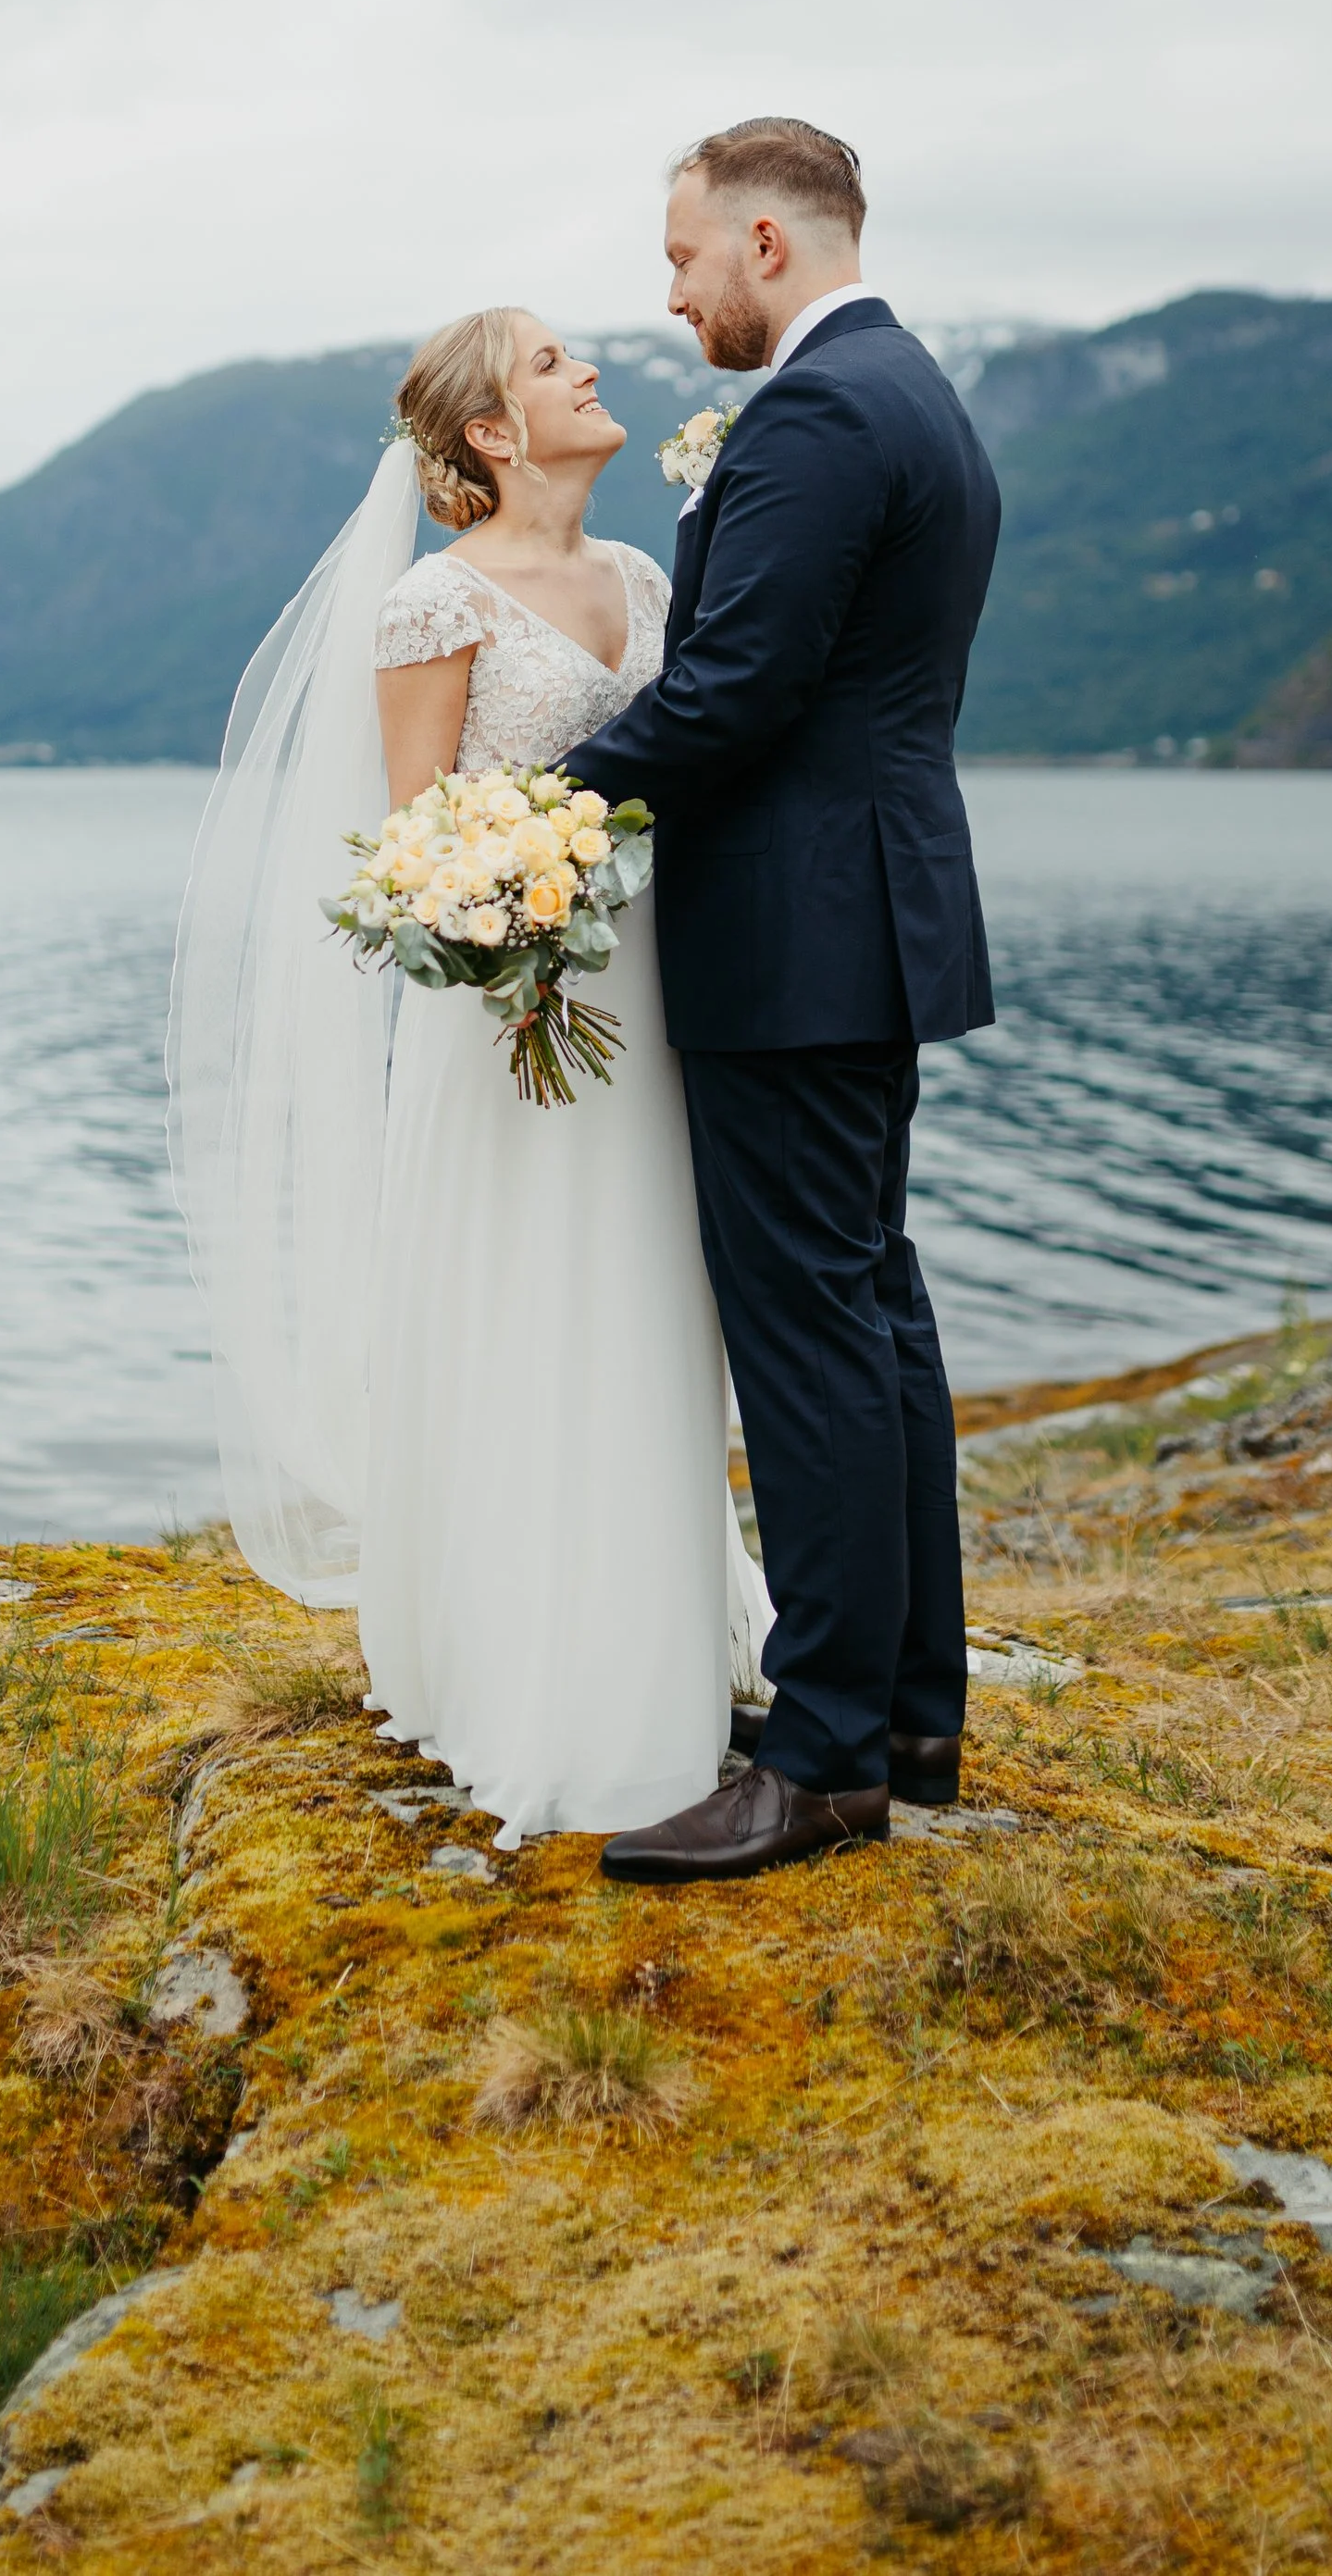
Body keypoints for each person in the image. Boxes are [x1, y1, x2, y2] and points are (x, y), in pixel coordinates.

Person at [168, 303, 768, 1849]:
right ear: (493, 435)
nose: (589, 369)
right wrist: (508, 899)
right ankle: (535, 1672)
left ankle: (655, 1636)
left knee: (645, 1301)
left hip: (646, 1005)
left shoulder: (641, 578)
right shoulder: (434, 607)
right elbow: (416, 839)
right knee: (523, 1305)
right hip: (508, 1022)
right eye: (554, 363)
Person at [572, 118, 1001, 1885]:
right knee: (873, 1310)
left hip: (797, 935)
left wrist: (541, 801)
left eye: (681, 259)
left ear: (765, 239)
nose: (669, 294)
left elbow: (740, 686)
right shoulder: (923, 395)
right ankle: (907, 1708)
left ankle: (824, 1756)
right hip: (870, 919)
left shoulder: (824, 410)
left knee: (810, 1330)